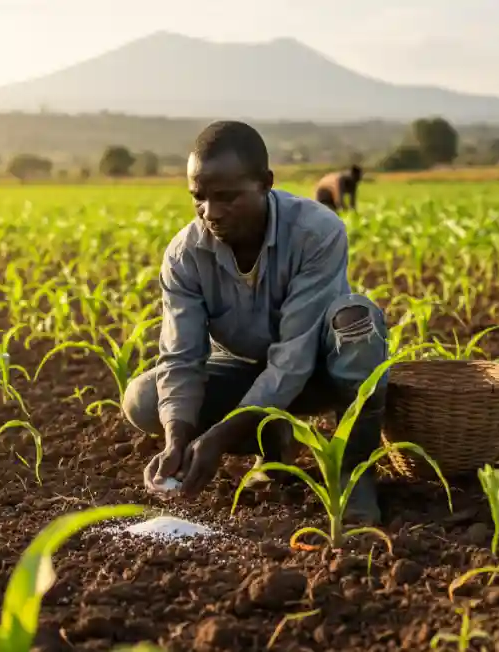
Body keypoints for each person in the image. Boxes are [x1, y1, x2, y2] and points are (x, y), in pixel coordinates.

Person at [122, 121, 389, 524]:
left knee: (356, 321)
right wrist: (178, 438)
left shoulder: (316, 232)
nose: (210, 212)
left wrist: (219, 437)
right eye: (199, 198)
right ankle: (272, 439)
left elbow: (294, 359)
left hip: (320, 373)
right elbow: (181, 358)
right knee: (145, 401)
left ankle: (355, 472)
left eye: (227, 197)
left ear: (265, 183)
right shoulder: (185, 255)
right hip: (245, 373)